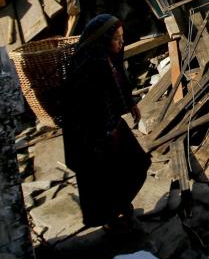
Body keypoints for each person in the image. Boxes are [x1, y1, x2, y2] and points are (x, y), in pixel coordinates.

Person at [61, 14, 150, 228]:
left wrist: (130, 103)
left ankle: (121, 207)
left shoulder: (109, 57)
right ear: (102, 40)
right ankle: (112, 218)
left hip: (110, 127)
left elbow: (119, 82)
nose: (121, 42)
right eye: (117, 38)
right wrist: (105, 133)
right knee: (103, 179)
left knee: (136, 164)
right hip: (89, 135)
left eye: (122, 37)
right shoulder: (88, 66)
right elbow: (86, 108)